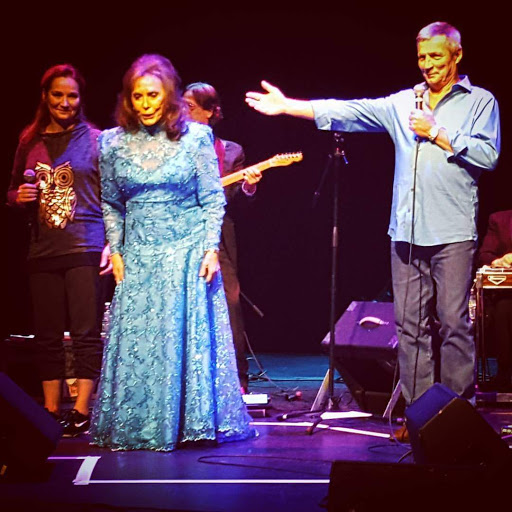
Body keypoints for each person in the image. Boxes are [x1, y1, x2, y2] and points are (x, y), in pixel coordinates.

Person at [246, 22, 501, 437]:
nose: (428, 65)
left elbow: (488, 156)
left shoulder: (480, 102)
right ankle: (420, 418)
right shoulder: (404, 102)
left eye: (436, 56)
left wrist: (437, 132)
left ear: (457, 55)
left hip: (453, 231)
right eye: (422, 57)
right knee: (409, 328)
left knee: (454, 324)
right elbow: (350, 111)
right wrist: (289, 105)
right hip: (406, 232)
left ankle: (457, 419)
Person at [90, 54, 256, 451]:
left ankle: (189, 421)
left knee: (185, 340)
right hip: (139, 255)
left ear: (169, 97)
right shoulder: (111, 142)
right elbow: (111, 202)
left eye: (153, 95)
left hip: (186, 254)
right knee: (141, 342)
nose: (146, 104)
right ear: (128, 99)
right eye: (138, 96)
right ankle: (141, 424)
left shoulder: (195, 138)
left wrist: (210, 248)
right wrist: (116, 249)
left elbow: (211, 198)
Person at [7, 64, 111, 437]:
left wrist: (111, 242)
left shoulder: (97, 140)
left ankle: (81, 410)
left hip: (85, 243)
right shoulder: (29, 139)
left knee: (85, 331)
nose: (65, 102)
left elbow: (112, 196)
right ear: (45, 97)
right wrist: (18, 198)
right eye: (57, 95)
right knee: (47, 334)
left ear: (81, 99)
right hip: (43, 249)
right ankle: (50, 410)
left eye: (72, 95)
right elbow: (12, 190)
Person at [183, 82, 262, 393]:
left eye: (190, 108)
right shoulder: (171, 146)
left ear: (210, 112)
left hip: (218, 235)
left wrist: (248, 187)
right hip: (177, 230)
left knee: (230, 300)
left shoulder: (230, 152)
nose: (183, 113)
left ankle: (237, 378)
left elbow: (238, 205)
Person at [478, 210, 512, 391]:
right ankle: (504, 372)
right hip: (508, 295)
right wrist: (499, 262)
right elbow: (485, 255)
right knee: (502, 308)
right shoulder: (499, 220)